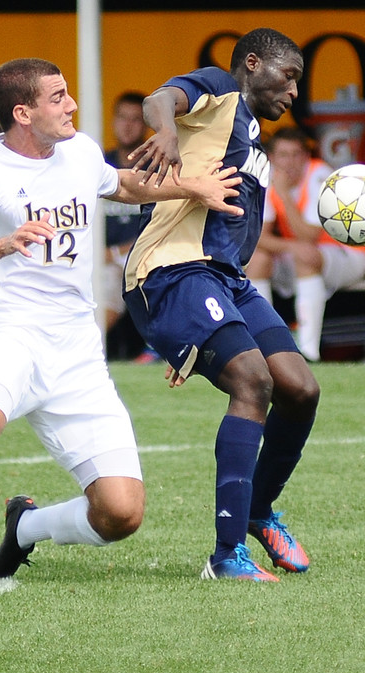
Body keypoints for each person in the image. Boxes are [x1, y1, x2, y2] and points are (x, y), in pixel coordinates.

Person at [0, 57, 243, 588]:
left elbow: (119, 184)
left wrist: (190, 187)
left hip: (77, 349)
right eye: (57, 97)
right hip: (13, 334)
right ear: (23, 112)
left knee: (121, 513)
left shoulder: (77, 149)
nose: (72, 104)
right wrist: (5, 242)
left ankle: (25, 527)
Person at [123, 27, 318, 582]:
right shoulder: (217, 88)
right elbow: (159, 99)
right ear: (252, 64)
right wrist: (165, 135)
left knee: (300, 389)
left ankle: (258, 509)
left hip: (224, 280)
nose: (294, 92)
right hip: (172, 271)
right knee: (252, 381)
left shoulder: (254, 140)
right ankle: (226, 556)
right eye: (289, 77)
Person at [246, 127, 365, 362]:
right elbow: (257, 237)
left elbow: (308, 237)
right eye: (283, 155)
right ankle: (264, 347)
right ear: (271, 158)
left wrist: (284, 195)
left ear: (306, 157)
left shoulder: (319, 174)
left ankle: (307, 352)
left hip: (347, 254)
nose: (290, 162)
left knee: (305, 256)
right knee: (257, 260)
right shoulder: (266, 176)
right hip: (303, 255)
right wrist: (290, 247)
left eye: (296, 155)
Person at [100, 91, 153, 361]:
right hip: (102, 259)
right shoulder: (98, 165)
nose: (128, 125)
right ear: (113, 121)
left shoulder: (156, 165)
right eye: (123, 117)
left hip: (146, 256)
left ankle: (155, 350)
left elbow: (161, 224)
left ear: (146, 125)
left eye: (136, 119)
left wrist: (121, 252)